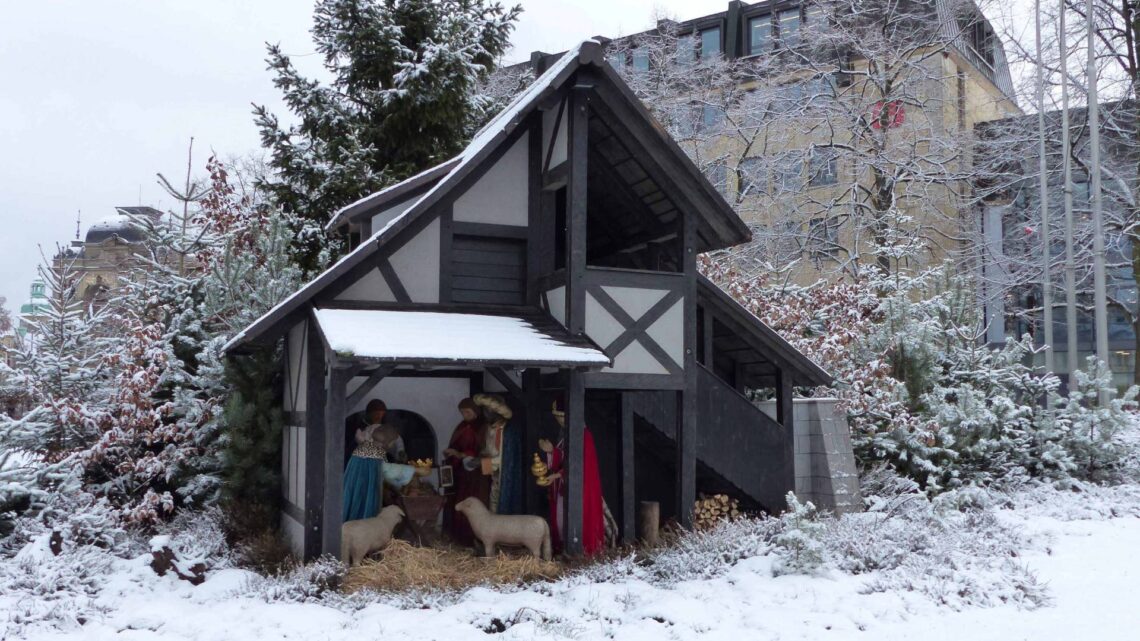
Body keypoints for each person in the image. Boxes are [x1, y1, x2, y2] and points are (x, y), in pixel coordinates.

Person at [540, 398, 605, 556]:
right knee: (561, 518)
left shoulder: (584, 436)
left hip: (580, 487)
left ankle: (580, 552)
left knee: (579, 518)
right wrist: (551, 452)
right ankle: (564, 549)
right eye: (557, 418)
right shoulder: (565, 434)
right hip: (564, 486)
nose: (559, 421)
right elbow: (563, 456)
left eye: (562, 417)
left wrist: (557, 475)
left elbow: (581, 464)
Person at [342, 422, 428, 522]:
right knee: (363, 511)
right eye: (392, 442)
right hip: (365, 488)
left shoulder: (365, 447)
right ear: (387, 442)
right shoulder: (375, 453)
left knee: (353, 508)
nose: (392, 445)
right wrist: (415, 470)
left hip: (354, 485)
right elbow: (387, 469)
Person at [442, 398, 489, 545]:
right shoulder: (462, 426)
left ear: (475, 411)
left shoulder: (483, 427)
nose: (465, 415)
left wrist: (462, 454)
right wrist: (452, 453)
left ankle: (473, 537)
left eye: (467, 412)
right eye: (462, 412)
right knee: (459, 501)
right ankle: (458, 535)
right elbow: (456, 444)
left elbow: (484, 451)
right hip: (461, 472)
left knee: (473, 502)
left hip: (477, 474)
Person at [473, 393, 523, 515]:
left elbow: (507, 458)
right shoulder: (489, 428)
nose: (486, 413)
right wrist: (480, 458)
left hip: (506, 475)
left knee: (504, 505)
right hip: (494, 475)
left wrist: (484, 462)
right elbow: (488, 450)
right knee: (493, 504)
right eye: (485, 410)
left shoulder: (509, 430)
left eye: (489, 410)